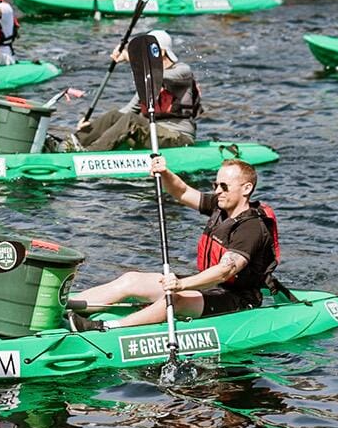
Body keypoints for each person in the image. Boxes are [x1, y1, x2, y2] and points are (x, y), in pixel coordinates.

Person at [65, 155, 278, 331]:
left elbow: (225, 271)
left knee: (174, 299)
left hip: (236, 299)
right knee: (131, 280)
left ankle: (104, 327)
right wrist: (165, 173)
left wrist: (182, 284)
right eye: (215, 185)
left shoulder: (251, 227)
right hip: (209, 287)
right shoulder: (220, 205)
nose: (217, 191)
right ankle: (64, 307)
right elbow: (182, 192)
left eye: (224, 186)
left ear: (246, 188)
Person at [71, 30, 200, 151]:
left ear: (160, 52)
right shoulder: (147, 81)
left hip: (179, 138)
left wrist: (129, 57)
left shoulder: (183, 71)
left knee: (132, 120)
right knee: (114, 115)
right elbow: (126, 112)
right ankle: (70, 144)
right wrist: (92, 127)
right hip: (153, 135)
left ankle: (90, 153)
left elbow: (159, 76)